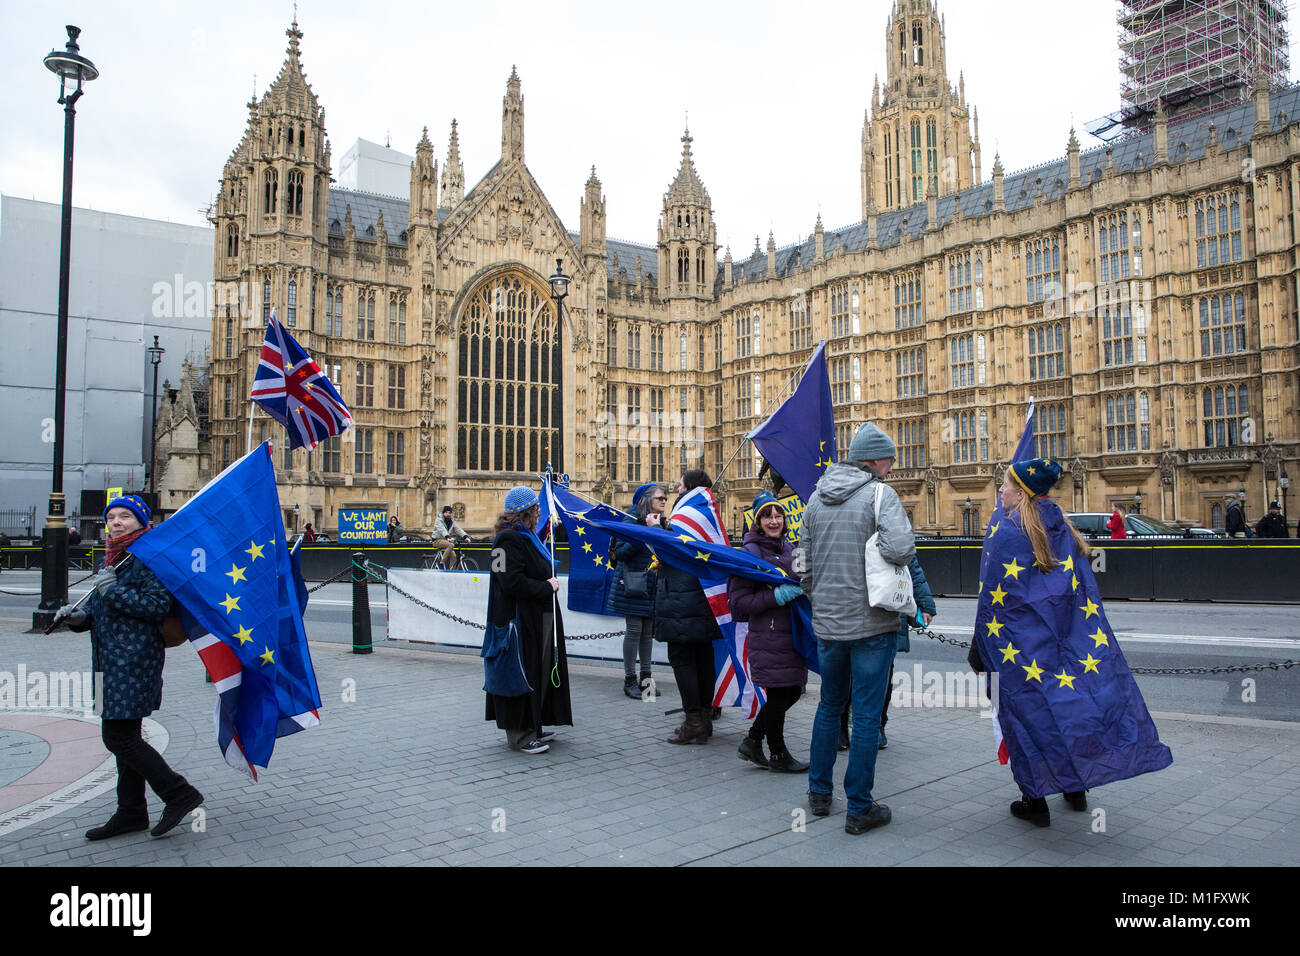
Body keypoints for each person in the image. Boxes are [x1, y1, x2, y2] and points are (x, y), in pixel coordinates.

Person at [970, 459, 1172, 827]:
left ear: (1022, 492)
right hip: (1068, 643)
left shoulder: (1005, 529)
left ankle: (1034, 800)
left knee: (1023, 715)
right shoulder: (1065, 528)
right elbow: (1082, 593)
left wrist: (978, 646)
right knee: (1071, 706)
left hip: (1017, 649)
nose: (1000, 491)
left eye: (1005, 485)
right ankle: (1076, 788)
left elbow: (991, 600)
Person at [54, 495, 204, 840]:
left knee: (117, 738)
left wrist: (112, 590)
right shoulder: (116, 558)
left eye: (125, 516)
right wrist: (77, 618)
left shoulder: (149, 558)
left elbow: (155, 606)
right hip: (108, 662)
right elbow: (97, 609)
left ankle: (179, 793)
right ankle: (131, 812)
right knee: (127, 738)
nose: (117, 522)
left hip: (135, 661)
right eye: (112, 517)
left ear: (141, 522)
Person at [800, 423, 915, 835]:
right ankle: (859, 807)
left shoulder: (814, 499)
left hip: (829, 626)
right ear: (873, 460)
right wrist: (879, 548)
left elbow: (804, 567)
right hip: (872, 624)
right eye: (889, 460)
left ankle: (818, 794)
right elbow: (901, 549)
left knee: (829, 706)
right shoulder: (881, 494)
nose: (891, 468)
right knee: (866, 716)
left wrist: (824, 603)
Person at [484, 486, 572, 754]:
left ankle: (535, 724)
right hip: (518, 622)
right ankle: (520, 735)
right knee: (522, 673)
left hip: (537, 616)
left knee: (539, 670)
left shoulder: (528, 537)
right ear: (524, 512)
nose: (539, 512)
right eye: (535, 508)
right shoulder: (507, 540)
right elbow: (508, 582)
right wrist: (547, 587)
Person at [728, 492, 809, 772]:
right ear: (758, 521)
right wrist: (778, 596)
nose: (774, 521)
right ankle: (775, 753)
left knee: (793, 691)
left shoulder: (790, 548)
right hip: (769, 635)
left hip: (793, 633)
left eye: (778, 515)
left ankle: (755, 743)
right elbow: (739, 604)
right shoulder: (750, 554)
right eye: (767, 516)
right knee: (779, 695)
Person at [656, 469, 724, 744]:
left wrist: (654, 532)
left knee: (683, 662)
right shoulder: (709, 516)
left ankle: (693, 720)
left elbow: (669, 553)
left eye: (680, 486)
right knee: (704, 660)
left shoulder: (685, 517)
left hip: (683, 603)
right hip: (705, 600)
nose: (677, 490)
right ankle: (705, 719)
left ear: (690, 489)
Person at [608, 483, 667, 699]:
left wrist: (657, 529)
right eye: (660, 498)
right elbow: (620, 553)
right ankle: (629, 680)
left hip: (651, 584)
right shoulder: (631, 521)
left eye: (665, 499)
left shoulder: (660, 522)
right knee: (634, 631)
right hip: (632, 584)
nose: (664, 502)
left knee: (647, 634)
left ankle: (646, 681)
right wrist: (645, 533)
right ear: (647, 499)